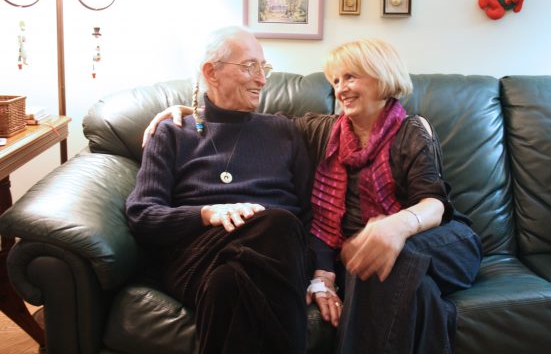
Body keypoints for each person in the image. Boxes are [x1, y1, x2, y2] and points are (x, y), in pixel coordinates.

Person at [144, 38, 483, 354]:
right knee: (408, 287)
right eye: (335, 81)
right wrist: (192, 111)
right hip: (356, 248)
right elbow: (239, 121)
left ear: (382, 77)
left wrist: (395, 228)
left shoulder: (413, 130)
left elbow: (435, 203)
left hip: (437, 239)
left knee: (375, 256)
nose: (341, 90)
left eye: (350, 77)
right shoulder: (323, 130)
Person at [126, 26, 312, 354]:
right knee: (277, 222)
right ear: (211, 72)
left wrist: (323, 271)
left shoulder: (284, 130)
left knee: (226, 284)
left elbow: (312, 212)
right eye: (249, 67)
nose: (262, 80)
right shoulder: (172, 134)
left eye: (263, 68)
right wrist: (207, 215)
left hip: (278, 250)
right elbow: (142, 215)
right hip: (195, 253)